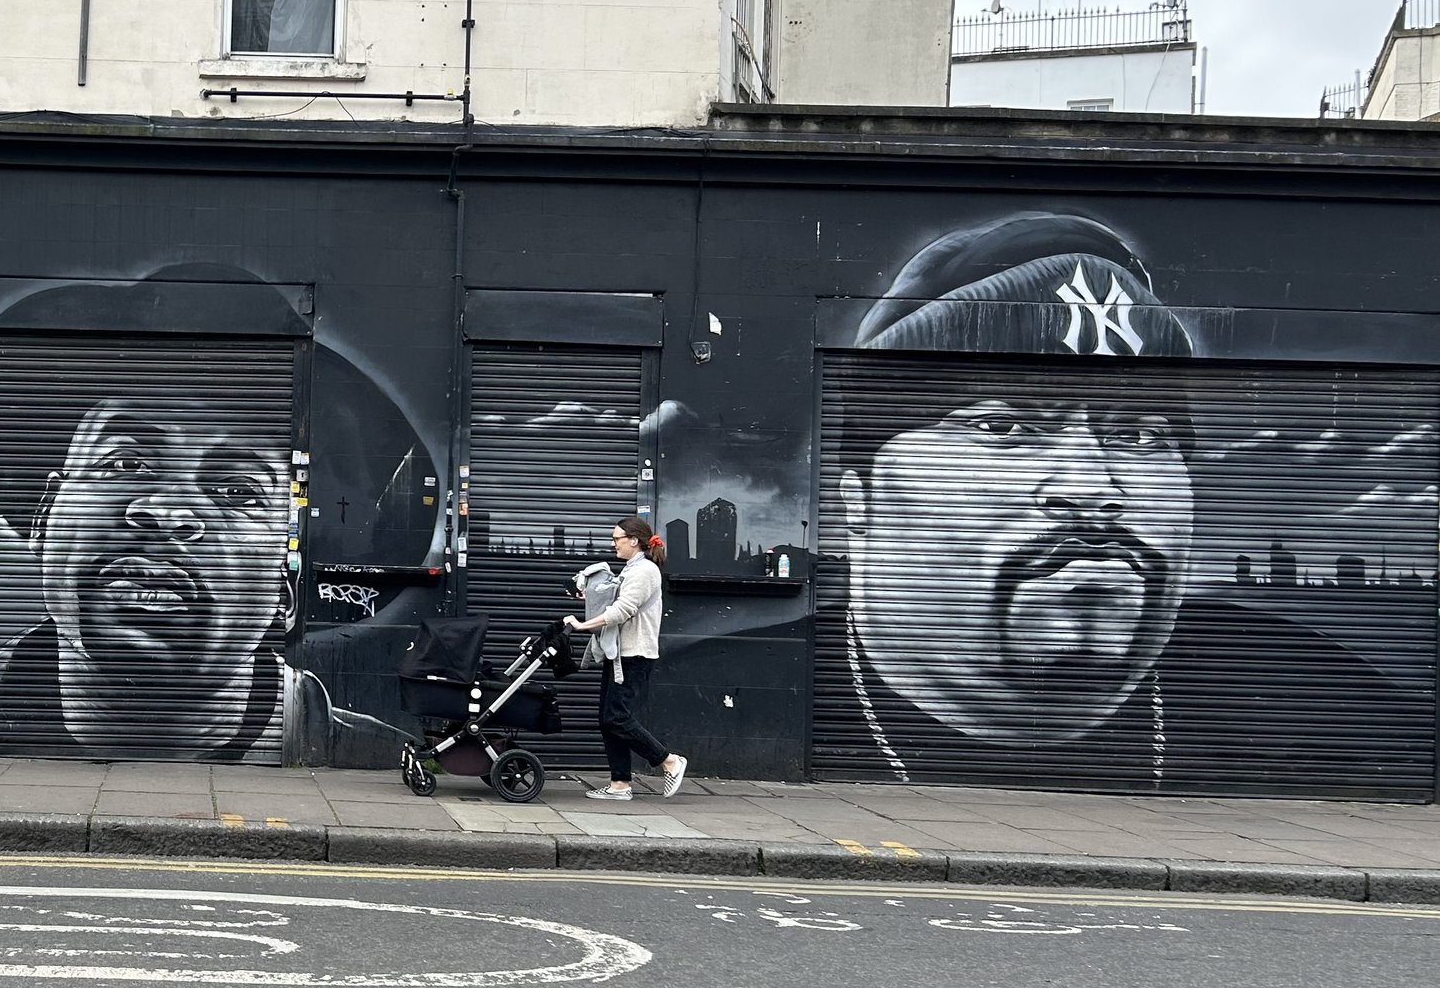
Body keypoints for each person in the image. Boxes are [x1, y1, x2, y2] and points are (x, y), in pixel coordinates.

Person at [830, 211, 1418, 792]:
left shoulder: (1334, 704)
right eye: (1006, 429)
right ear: (862, 506)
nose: (1093, 489)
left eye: (1139, 436)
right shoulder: (791, 687)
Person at [0, 282, 297, 760]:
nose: (166, 512)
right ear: (44, 521)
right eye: (125, 464)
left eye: (238, 491)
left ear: (285, 588)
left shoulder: (370, 750)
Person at [563, 516, 688, 800]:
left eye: (616, 538)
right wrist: (586, 597)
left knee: (617, 718)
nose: (612, 543)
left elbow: (623, 610)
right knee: (608, 720)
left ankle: (668, 761)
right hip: (621, 653)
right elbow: (615, 601)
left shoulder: (644, 571)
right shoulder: (631, 570)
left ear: (633, 540)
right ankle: (620, 784)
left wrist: (583, 625)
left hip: (634, 655)